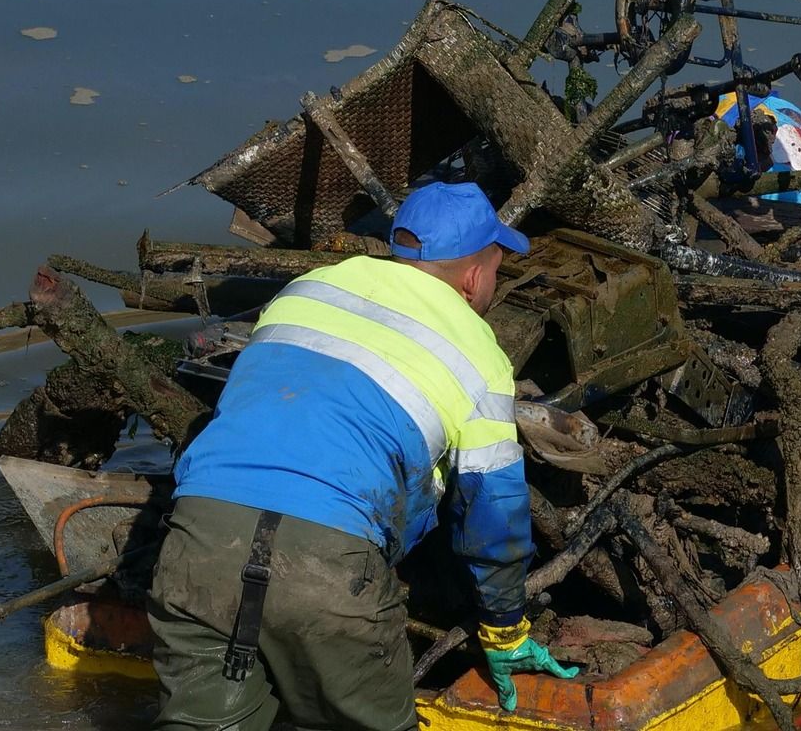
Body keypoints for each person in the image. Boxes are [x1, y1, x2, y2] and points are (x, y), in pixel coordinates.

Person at [148, 181, 578, 729]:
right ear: (473, 278)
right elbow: (493, 512)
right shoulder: (479, 353)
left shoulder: (310, 288)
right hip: (325, 568)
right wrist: (504, 628)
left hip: (197, 542)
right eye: (497, 267)